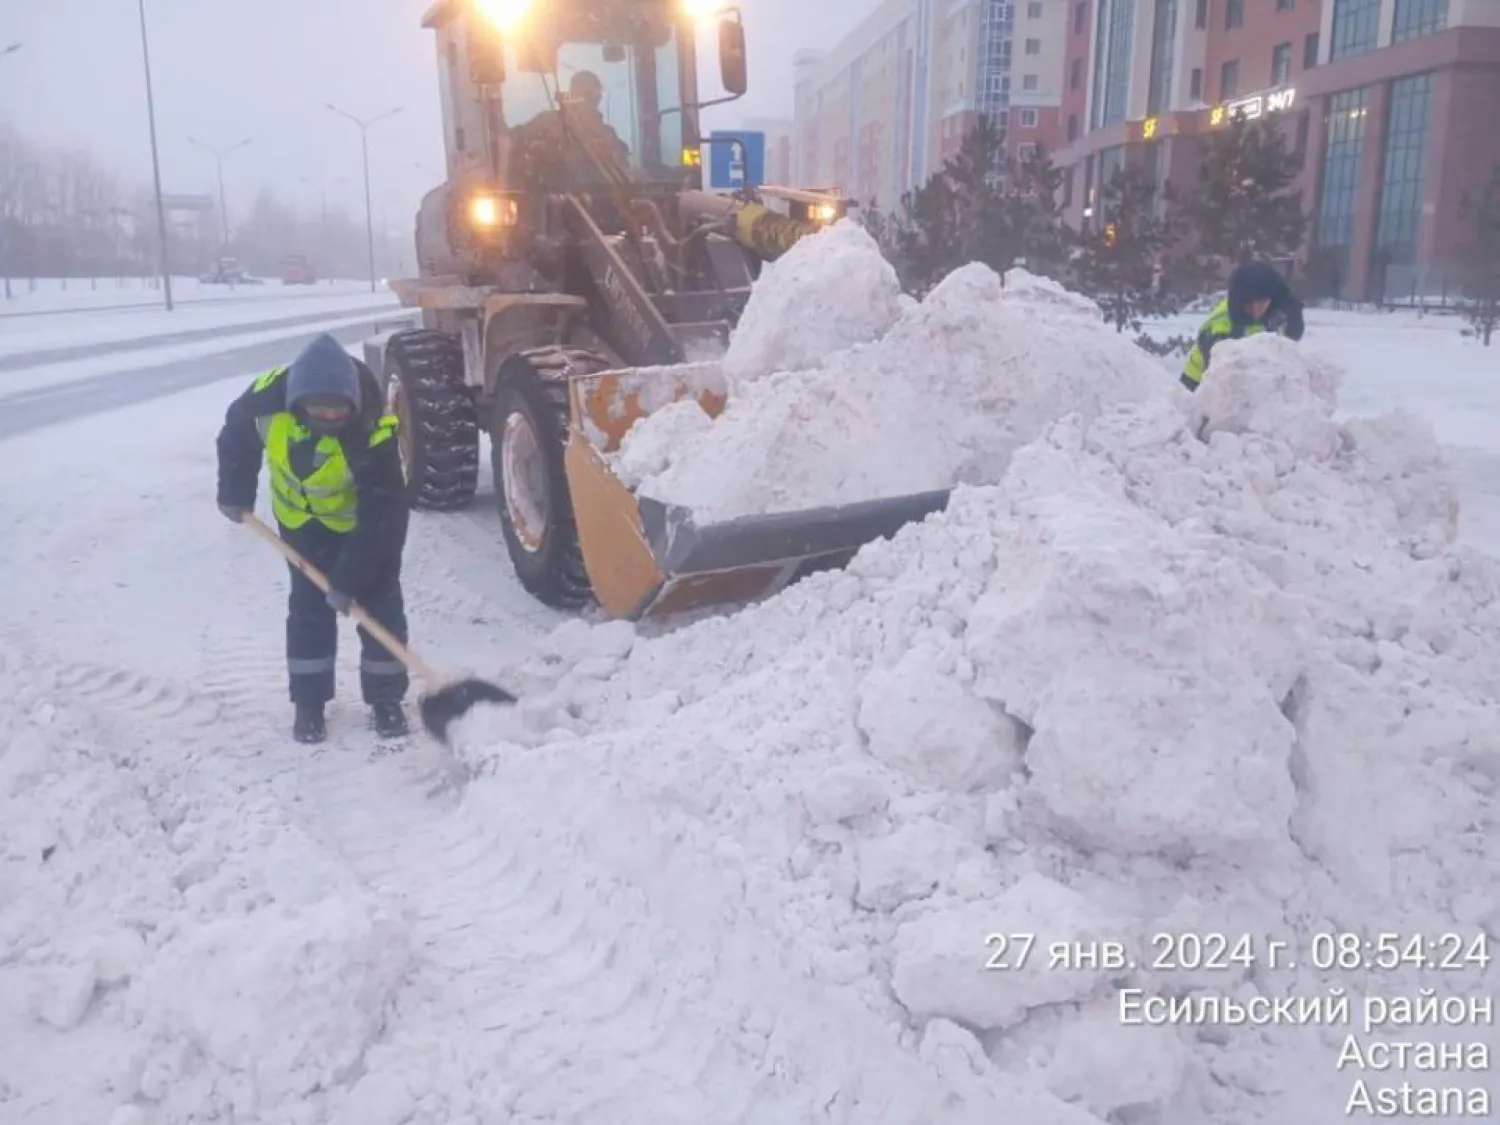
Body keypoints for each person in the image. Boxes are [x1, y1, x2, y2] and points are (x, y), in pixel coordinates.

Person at [215, 333, 411, 744]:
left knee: (379, 609)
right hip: (300, 526)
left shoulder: (371, 426)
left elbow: (386, 513)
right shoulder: (266, 402)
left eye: (338, 410)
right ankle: (309, 704)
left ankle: (386, 700)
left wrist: (349, 579)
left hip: (362, 528)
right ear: (298, 401)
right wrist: (234, 493)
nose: (329, 417)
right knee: (307, 612)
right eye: (318, 410)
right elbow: (235, 438)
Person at [1181, 260, 1306, 391]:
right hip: (1214, 393)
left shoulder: (1282, 318)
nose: (1256, 309)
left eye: (1262, 302)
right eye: (1249, 304)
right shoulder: (1218, 329)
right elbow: (1204, 376)